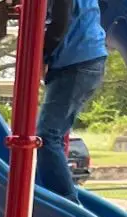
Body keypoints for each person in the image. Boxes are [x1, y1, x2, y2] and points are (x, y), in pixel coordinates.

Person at [36, 0, 107, 201]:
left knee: (46, 136)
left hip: (76, 61)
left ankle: (66, 204)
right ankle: (62, 198)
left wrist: (41, 56)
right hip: (86, 59)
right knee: (52, 136)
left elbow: (59, 25)